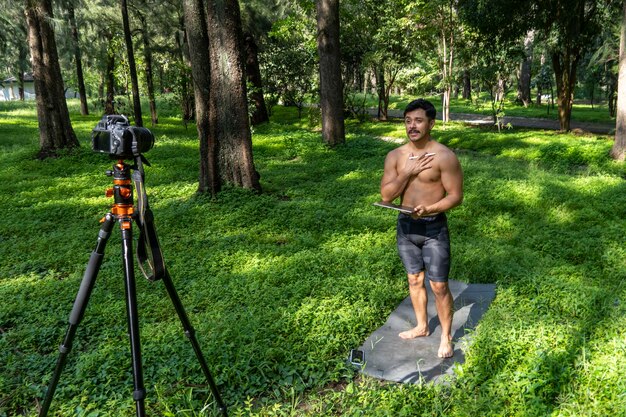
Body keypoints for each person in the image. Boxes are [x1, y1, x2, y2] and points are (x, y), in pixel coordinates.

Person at [380, 98, 463, 358]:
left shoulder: (444, 156)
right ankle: (422, 326)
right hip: (406, 226)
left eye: (418, 120)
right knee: (414, 280)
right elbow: (385, 196)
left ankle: (446, 338)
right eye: (407, 121)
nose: (412, 126)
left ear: (431, 123)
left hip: (433, 228)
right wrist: (406, 172)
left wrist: (430, 208)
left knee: (438, 285)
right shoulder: (395, 156)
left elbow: (455, 196)